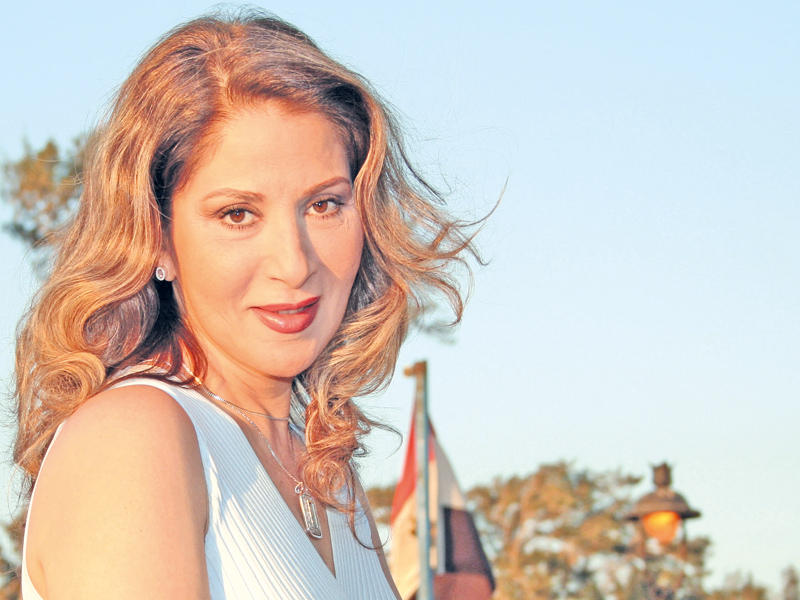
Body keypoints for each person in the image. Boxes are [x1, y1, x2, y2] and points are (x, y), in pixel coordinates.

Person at [12, 11, 479, 600]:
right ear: (156, 238)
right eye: (238, 214)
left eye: (324, 204)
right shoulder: (133, 436)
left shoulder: (324, 468)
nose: (295, 262)